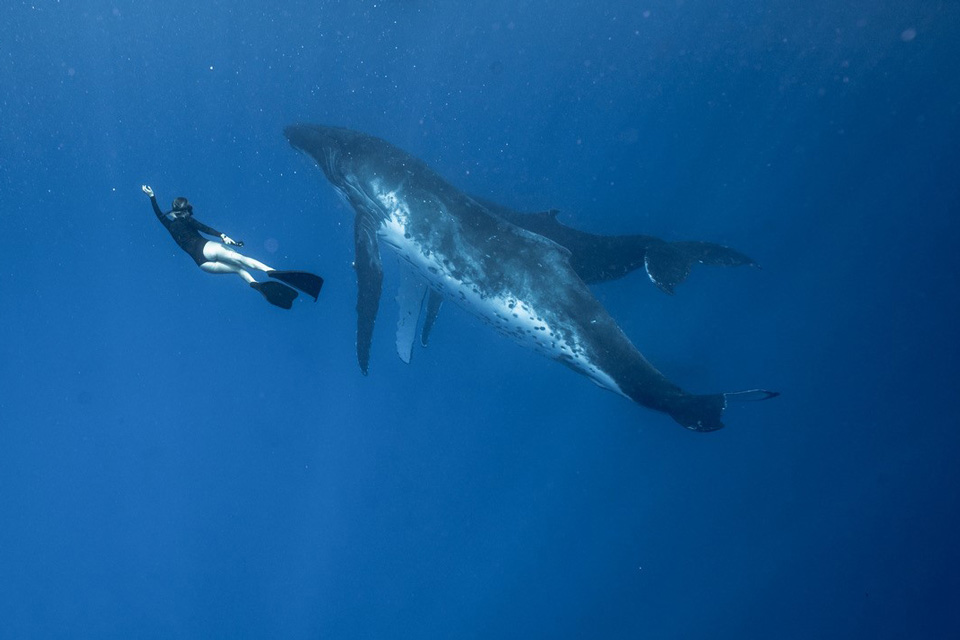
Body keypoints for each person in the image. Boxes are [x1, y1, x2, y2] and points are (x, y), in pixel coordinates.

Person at [142, 185, 323, 309]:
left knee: (238, 270)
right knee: (242, 260)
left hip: (202, 264)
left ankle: (258, 286)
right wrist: (223, 236)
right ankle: (272, 271)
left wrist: (152, 197)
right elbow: (203, 228)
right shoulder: (186, 219)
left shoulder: (169, 224)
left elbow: (159, 214)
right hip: (208, 248)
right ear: (185, 210)